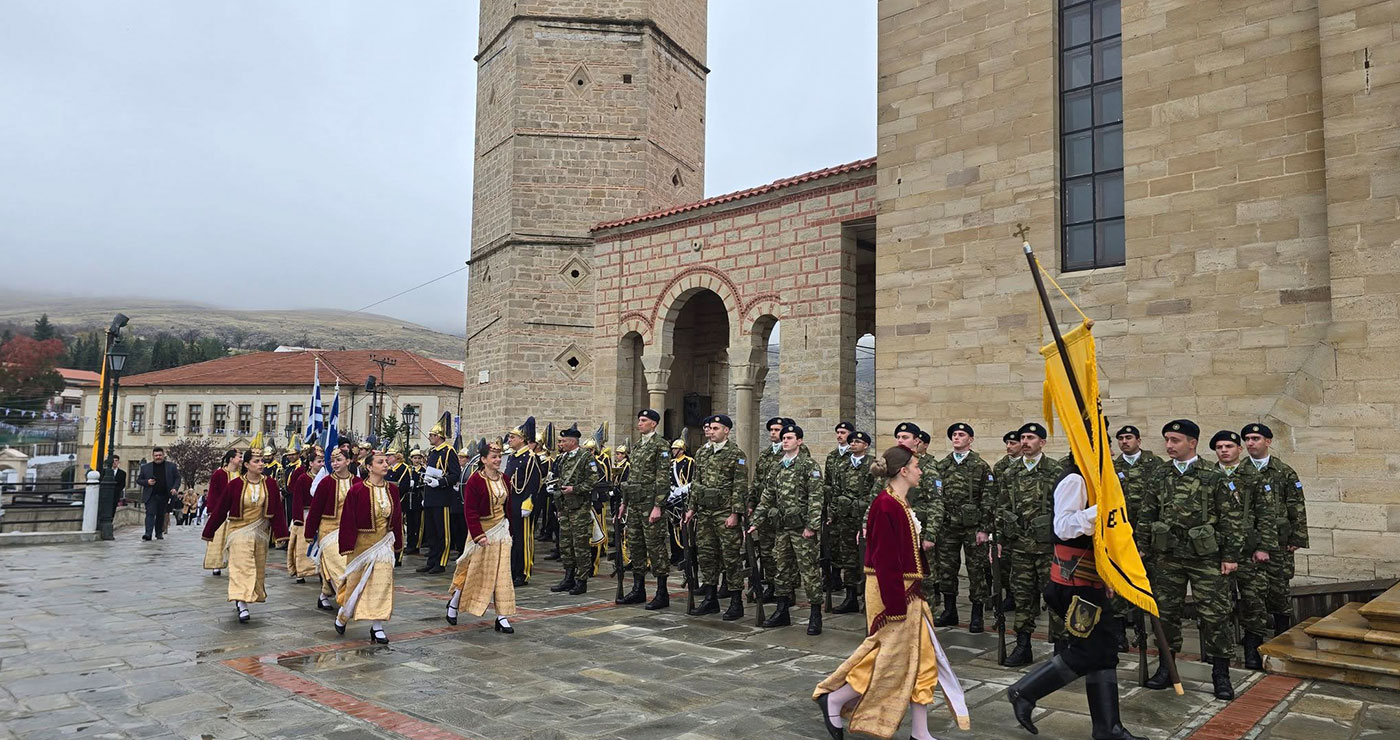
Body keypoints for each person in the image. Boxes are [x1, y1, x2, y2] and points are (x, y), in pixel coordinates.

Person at [813, 444, 969, 740]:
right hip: (891, 591)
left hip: (908, 589)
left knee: (922, 658)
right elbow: (884, 558)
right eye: (917, 466)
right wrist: (895, 602)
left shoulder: (901, 502)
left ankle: (921, 732)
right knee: (885, 656)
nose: (921, 471)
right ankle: (834, 697)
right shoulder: (885, 504)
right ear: (904, 470)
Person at [1005, 457, 1145, 740]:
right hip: (1075, 583)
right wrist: (1102, 510)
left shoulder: (1097, 479)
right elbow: (1064, 527)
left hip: (1091, 580)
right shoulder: (1075, 479)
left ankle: (1108, 728)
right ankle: (1025, 691)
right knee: (1089, 652)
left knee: (1104, 651)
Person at [1136, 419, 1242, 700]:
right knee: (1166, 614)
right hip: (1167, 558)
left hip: (1206, 558)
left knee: (1215, 616)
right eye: (1167, 440)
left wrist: (1230, 556)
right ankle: (1167, 669)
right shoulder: (1160, 474)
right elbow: (1147, 514)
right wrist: (1141, 548)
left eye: (1175, 440)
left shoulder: (1213, 475)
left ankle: (1221, 674)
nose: (1169, 445)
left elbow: (1232, 519)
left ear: (1192, 442)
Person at [1211, 430, 1276, 670]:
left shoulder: (1254, 476)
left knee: (1253, 601)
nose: (1224, 450)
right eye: (1219, 447)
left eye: (1229, 446)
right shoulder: (1209, 475)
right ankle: (1220, 653)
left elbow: (1267, 515)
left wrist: (1263, 547)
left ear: (1239, 449)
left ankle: (1252, 650)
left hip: (1249, 552)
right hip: (1218, 551)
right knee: (1219, 604)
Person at [752, 423, 826, 634]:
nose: (785, 440)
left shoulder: (808, 466)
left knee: (809, 571)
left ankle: (815, 615)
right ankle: (782, 610)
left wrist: (811, 526)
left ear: (799, 441)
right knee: (781, 568)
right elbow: (767, 497)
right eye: (783, 438)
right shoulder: (777, 467)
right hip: (782, 528)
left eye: (790, 438)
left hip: (802, 528)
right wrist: (756, 521)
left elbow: (816, 498)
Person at [999, 422, 1062, 666]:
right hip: (1020, 548)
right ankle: (1023, 646)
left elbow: (1064, 509)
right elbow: (1002, 507)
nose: (1025, 442)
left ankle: (1060, 648)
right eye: (1023, 437)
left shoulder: (1055, 471)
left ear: (1042, 443)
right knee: (1023, 597)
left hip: (1049, 548)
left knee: (1055, 597)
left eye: (1031, 438)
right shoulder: (1010, 473)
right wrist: (1001, 540)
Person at [201, 451, 290, 623]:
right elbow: (221, 509)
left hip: (260, 533)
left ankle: (246, 597)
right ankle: (241, 603)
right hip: (238, 531)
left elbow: (277, 510)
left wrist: (281, 534)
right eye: (256, 461)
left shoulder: (270, 484)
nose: (261, 464)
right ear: (247, 465)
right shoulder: (235, 485)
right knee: (241, 566)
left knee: (256, 568)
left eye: (262, 461)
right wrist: (209, 531)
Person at [1242, 423, 1308, 636]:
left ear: (1268, 441)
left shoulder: (1283, 471)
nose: (1251, 443)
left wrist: (1297, 537)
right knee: (1251, 592)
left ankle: (1282, 634)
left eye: (1256, 438)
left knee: (1279, 589)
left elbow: (1296, 505)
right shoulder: (1240, 471)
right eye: (1248, 439)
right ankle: (1253, 637)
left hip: (1280, 542)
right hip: (1249, 542)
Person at [447, 440, 518, 634]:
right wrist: (478, 535)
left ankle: (502, 616)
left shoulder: (504, 479)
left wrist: (510, 529)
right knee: (473, 571)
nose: (497, 460)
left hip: (501, 531)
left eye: (499, 457)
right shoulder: (475, 480)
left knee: (503, 573)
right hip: (482, 532)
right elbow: (469, 510)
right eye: (494, 457)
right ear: (484, 459)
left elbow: (507, 506)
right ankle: (454, 603)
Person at [334, 450, 404, 644]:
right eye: (380, 462)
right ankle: (343, 614)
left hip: (383, 545)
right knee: (355, 585)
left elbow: (396, 518)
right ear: (369, 466)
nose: (385, 465)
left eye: (386, 461)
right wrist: (347, 545)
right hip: (361, 545)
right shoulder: (357, 490)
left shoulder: (393, 490)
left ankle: (377, 626)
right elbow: (348, 519)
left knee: (382, 584)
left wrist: (398, 544)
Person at [684, 414, 748, 619]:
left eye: (716, 428)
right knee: (706, 556)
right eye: (710, 427)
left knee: (730, 557)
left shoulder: (735, 454)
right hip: (705, 513)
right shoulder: (703, 452)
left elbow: (740, 486)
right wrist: (691, 508)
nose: (711, 431)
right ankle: (710, 598)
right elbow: (696, 481)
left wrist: (735, 513)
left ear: (726, 431)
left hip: (724, 513)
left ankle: (736, 601)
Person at [1110, 425, 1168, 649]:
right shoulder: (1113, 467)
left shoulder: (1156, 465)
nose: (1125, 442)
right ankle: (1119, 634)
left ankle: (1152, 631)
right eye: (1121, 439)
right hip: (1122, 535)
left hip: (1151, 535)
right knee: (1119, 585)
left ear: (1139, 440)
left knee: (1152, 583)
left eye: (1129, 437)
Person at [936, 422, 994, 633]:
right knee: (946, 569)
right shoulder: (942, 466)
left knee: (976, 570)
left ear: (970, 439)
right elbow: (936, 498)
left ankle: (977, 615)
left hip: (973, 528)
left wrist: (984, 529)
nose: (957, 437)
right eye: (954, 435)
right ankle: (950, 611)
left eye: (961, 435)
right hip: (948, 527)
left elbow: (988, 499)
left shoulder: (980, 466)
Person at [617, 410, 670, 608]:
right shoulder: (638, 446)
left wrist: (658, 505)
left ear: (654, 424)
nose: (639, 423)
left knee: (655, 547)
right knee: (636, 545)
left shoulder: (661, 446)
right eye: (639, 420)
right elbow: (631, 479)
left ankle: (662, 592)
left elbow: (663, 478)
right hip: (635, 504)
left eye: (643, 421)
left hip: (650, 505)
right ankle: (638, 589)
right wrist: (624, 503)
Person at [549, 424, 601, 595]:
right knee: (565, 544)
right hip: (564, 508)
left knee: (580, 546)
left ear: (572, 442)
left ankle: (581, 580)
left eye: (564, 441)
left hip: (580, 508)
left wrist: (575, 489)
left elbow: (593, 480)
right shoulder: (563, 458)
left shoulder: (585, 457)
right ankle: (568, 576)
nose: (561, 444)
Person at [830, 431, 874, 614]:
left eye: (858, 441)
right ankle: (850, 597)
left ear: (866, 445)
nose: (853, 444)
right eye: (852, 441)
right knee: (847, 557)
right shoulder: (843, 466)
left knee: (866, 558)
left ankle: (868, 596)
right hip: (845, 518)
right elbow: (835, 490)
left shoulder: (872, 465)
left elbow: (876, 492)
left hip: (864, 518)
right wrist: (833, 513)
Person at [306, 448, 356, 612]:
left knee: (348, 564)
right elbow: (315, 509)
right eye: (333, 461)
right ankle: (347, 600)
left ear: (348, 462)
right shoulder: (326, 482)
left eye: (339, 460)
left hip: (349, 529)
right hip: (329, 529)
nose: (335, 463)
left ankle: (324, 595)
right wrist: (309, 532)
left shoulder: (356, 482)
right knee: (338, 564)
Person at [418, 417, 462, 574]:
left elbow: (455, 474)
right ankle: (432, 560)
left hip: (442, 496)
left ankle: (441, 562)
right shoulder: (432, 452)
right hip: (430, 495)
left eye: (431, 435)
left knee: (442, 531)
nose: (429, 438)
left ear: (438, 436)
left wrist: (441, 482)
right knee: (431, 532)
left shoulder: (448, 451)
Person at [505, 417, 542, 587]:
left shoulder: (530, 457)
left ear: (522, 439)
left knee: (523, 539)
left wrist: (529, 502)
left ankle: (523, 571)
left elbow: (534, 483)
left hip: (523, 503)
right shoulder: (513, 457)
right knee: (512, 538)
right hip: (512, 502)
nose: (510, 440)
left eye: (513, 437)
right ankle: (513, 569)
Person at [287, 449, 323, 583]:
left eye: (323, 461)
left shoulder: (325, 478)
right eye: (319, 461)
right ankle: (301, 571)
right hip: (306, 514)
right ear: (311, 463)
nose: (322, 464)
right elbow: (297, 499)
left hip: (320, 515)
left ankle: (319, 569)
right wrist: (298, 518)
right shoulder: (303, 478)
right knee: (302, 544)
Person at [203, 450, 241, 576]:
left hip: (236, 511)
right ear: (231, 459)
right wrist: (212, 510)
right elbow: (213, 493)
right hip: (220, 510)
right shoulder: (219, 473)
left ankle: (234, 564)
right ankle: (216, 564)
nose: (241, 459)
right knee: (218, 537)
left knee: (235, 539)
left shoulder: (241, 474)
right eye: (239, 457)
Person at [139, 447, 182, 541]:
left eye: (160, 455)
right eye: (156, 455)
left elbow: (177, 478)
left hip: (165, 495)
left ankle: (159, 533)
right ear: (153, 456)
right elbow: (139, 480)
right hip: (151, 495)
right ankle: (148, 533)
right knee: (150, 513)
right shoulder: (146, 467)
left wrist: (175, 488)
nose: (158, 457)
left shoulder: (171, 466)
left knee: (160, 515)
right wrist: (147, 482)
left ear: (163, 455)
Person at [404, 448, 427, 555]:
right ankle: (409, 544)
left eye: (418, 458)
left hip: (418, 498)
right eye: (414, 458)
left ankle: (416, 545)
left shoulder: (423, 470)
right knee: (410, 524)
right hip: (409, 499)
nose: (416, 460)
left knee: (418, 523)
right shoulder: (408, 470)